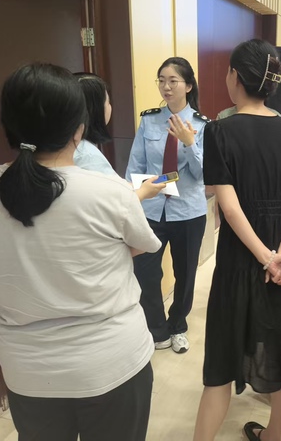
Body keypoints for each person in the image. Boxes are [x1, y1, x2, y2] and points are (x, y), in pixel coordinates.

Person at [0, 63, 165, 440]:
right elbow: (141, 247)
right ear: (79, 128)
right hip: (110, 363)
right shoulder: (109, 192)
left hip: (28, 370)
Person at [194, 39, 281, 441]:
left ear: (234, 77)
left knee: (220, 366)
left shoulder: (219, 131)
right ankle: (272, 437)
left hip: (240, 262)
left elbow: (231, 209)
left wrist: (266, 257)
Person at [126, 57, 208, 354]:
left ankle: (178, 326)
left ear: (188, 86)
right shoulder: (149, 120)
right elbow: (135, 165)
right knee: (146, 272)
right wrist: (133, 200)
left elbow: (203, 174)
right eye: (161, 80)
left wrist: (189, 142)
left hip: (188, 211)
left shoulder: (202, 125)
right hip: (151, 209)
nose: (166, 87)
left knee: (185, 274)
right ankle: (157, 329)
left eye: (173, 81)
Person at [73, 72, 117, 176]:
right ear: (96, 110)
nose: (110, 107)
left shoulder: (67, 146)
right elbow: (109, 185)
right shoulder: (88, 155)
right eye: (108, 102)